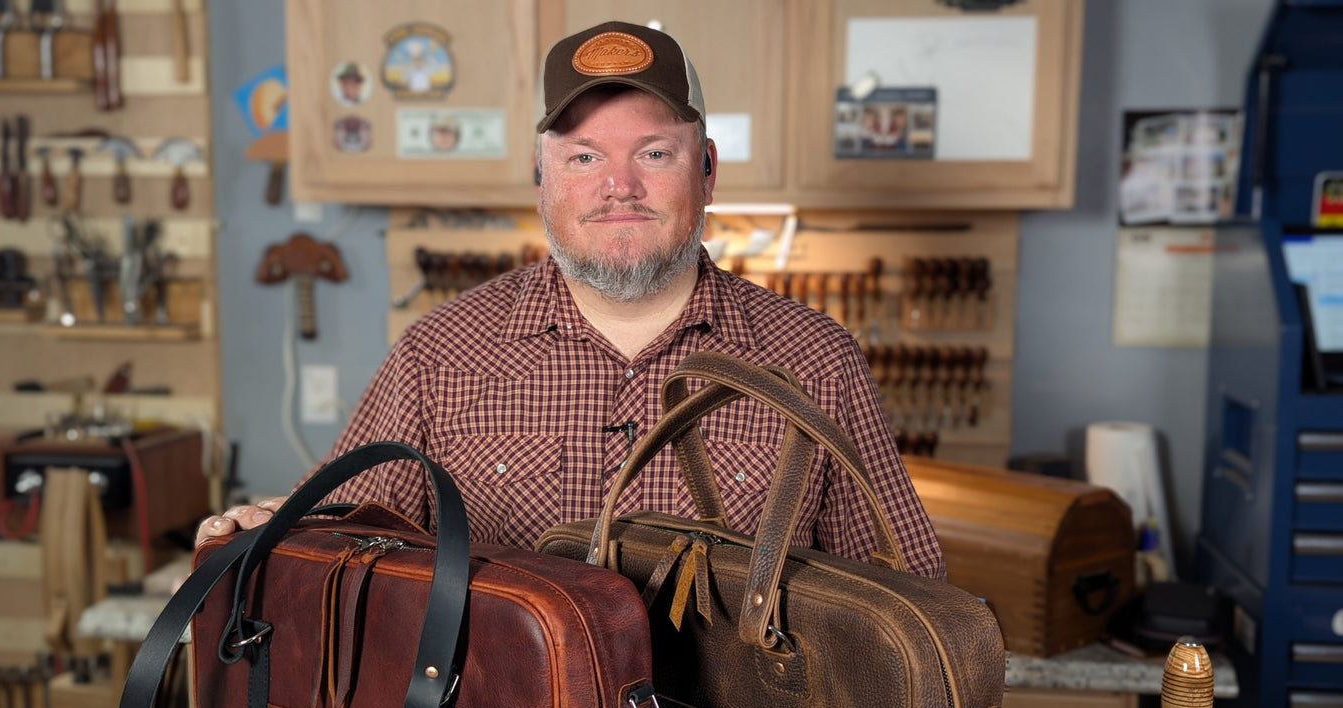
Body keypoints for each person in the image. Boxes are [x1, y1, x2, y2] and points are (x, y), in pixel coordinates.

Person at [198, 20, 944, 579]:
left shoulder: (815, 362)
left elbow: (910, 602)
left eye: (654, 153)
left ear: (708, 172)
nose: (619, 185)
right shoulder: (441, 354)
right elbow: (343, 543)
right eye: (584, 157)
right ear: (541, 181)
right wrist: (272, 534)